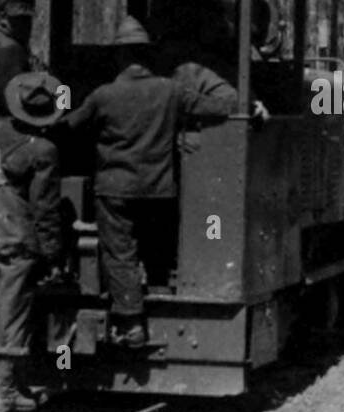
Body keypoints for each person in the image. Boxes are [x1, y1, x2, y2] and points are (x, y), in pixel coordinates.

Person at [64, 17, 238, 348]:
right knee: (157, 244)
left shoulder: (103, 95)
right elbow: (223, 105)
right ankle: (158, 292)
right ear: (147, 54)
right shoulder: (171, 91)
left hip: (114, 189)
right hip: (159, 189)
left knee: (120, 253)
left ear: (119, 56)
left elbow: (70, 127)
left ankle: (132, 324)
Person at [0, 72, 66, 411]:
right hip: (15, 239)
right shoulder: (44, 151)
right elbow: (45, 209)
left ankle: (11, 380)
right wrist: (52, 254)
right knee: (13, 310)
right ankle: (7, 389)